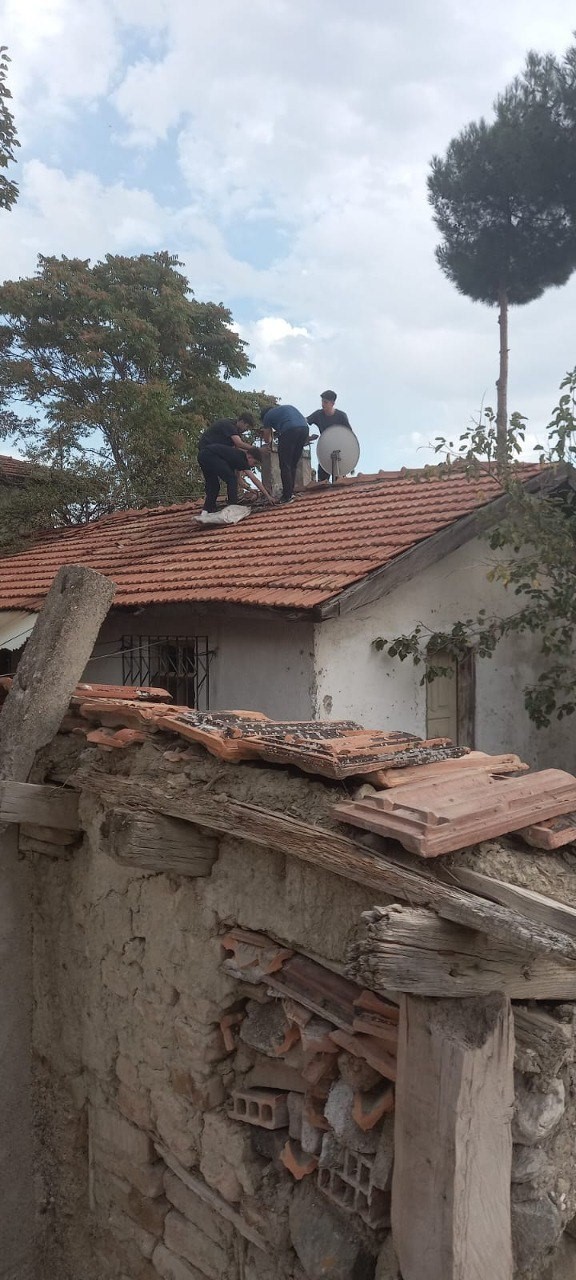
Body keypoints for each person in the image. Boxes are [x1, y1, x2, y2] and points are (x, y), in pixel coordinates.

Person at [197, 441, 271, 516]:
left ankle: (206, 511)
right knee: (231, 479)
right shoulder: (242, 459)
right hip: (210, 454)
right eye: (254, 463)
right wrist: (268, 496)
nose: (253, 466)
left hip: (202, 456)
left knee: (214, 486)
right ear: (249, 457)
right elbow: (254, 479)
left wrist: (250, 489)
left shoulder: (236, 458)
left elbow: (239, 480)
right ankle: (232, 507)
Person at [260, 404, 309, 503]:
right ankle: (291, 491)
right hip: (304, 429)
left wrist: (269, 443)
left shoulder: (267, 416)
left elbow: (266, 438)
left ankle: (287, 496)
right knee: (293, 463)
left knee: (285, 464)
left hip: (289, 430)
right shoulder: (285, 409)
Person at [306, 391, 353, 482]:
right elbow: (305, 421)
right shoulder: (318, 415)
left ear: (332, 403)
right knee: (322, 482)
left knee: (339, 482)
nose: (323, 404)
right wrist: (309, 437)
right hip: (325, 451)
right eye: (322, 401)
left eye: (326, 402)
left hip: (340, 452)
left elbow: (349, 435)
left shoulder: (341, 416)